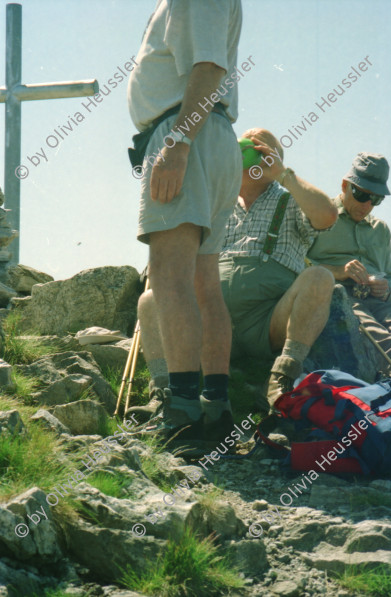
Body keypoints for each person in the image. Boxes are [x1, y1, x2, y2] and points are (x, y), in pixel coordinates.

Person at [127, 0, 243, 449]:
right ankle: (215, 410)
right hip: (209, 138)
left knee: (169, 277)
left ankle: (182, 416)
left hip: (186, 134)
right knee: (202, 284)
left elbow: (211, 66)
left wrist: (177, 140)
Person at [219, 128, 338, 412]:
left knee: (320, 276)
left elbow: (328, 215)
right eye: (244, 147)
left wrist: (283, 175)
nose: (247, 155)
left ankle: (283, 376)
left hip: (269, 322)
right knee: (152, 298)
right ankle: (166, 395)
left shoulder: (290, 201)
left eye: (260, 151)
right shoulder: (218, 206)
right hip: (216, 323)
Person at [308, 152, 391, 371]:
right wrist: (339, 271)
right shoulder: (321, 217)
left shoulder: (381, 230)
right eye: (362, 195)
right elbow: (296, 263)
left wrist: (386, 287)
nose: (367, 205)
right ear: (345, 185)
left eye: (376, 199)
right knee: (385, 343)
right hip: (341, 296)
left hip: (381, 302)